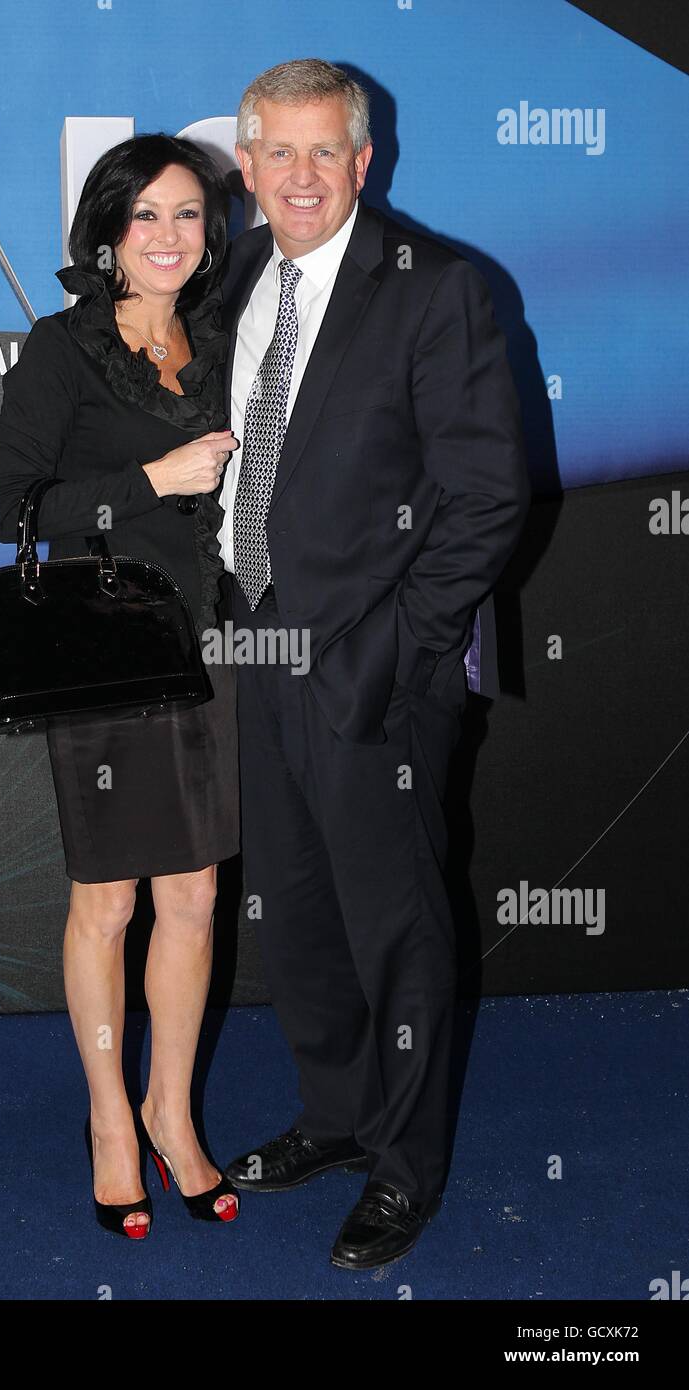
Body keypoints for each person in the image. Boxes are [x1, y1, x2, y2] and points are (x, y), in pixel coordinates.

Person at [219, 60, 530, 1268]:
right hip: (253, 638)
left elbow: (484, 498)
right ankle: (336, 1119)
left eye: (322, 153)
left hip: (373, 665)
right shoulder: (235, 274)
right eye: (275, 154)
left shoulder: (437, 289)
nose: (300, 177)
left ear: (365, 161)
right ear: (243, 166)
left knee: (393, 923)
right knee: (295, 914)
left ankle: (403, 1173)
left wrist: (392, 654)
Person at [0, 134, 241, 1238]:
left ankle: (170, 1114)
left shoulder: (224, 340)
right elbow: (16, 512)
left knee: (193, 897)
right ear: (107, 233)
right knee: (111, 900)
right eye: (145, 217)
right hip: (108, 653)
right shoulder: (60, 350)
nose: (168, 237)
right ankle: (107, 1122)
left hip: (213, 647)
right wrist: (153, 476)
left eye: (187, 214)